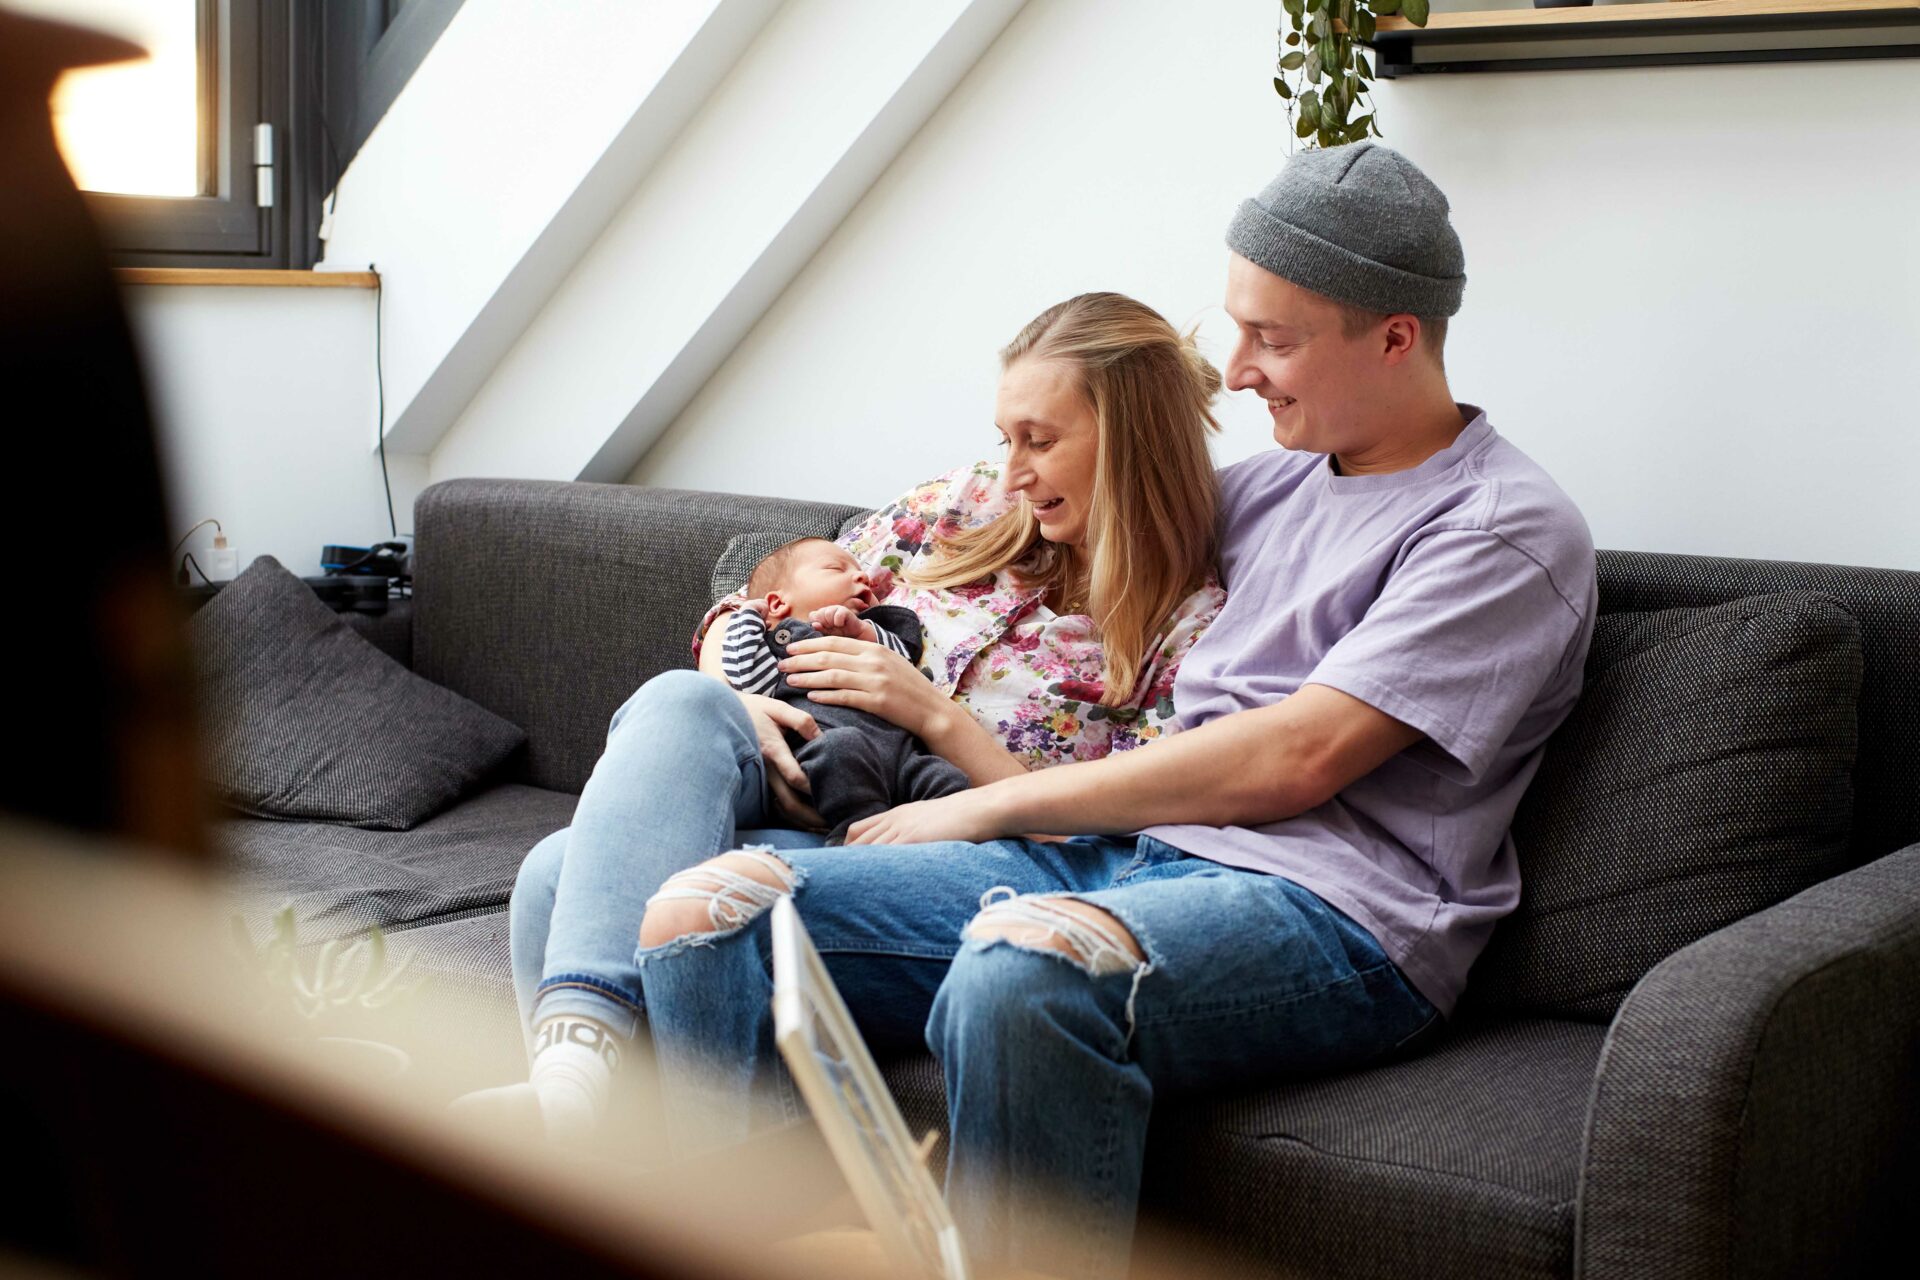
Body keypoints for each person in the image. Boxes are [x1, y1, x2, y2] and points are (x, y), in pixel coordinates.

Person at [627, 144, 1598, 1280]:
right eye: (1236, 330)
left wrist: (986, 803)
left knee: (1022, 970)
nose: (1238, 370)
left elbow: (1300, 754)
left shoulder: (1500, 528)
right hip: (1135, 859)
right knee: (704, 913)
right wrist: (760, 624)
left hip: (1340, 914)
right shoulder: (1275, 486)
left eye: (1274, 339)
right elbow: (1058, 503)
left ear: (1396, 336)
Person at [489, 291, 1228, 1147]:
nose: (1012, 473)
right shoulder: (965, 504)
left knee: (559, 872)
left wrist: (935, 717)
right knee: (676, 708)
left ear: (1132, 439)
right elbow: (762, 586)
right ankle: (572, 1119)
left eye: (1040, 441)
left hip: (934, 845)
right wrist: (739, 689)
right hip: (793, 769)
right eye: (1006, 440)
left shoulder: (1190, 625)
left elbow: (1116, 833)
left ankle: (605, 1152)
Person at [715, 536, 968, 842]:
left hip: (904, 758)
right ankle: (856, 836)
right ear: (778, 603)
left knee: (951, 782)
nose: (862, 577)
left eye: (860, 571)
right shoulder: (782, 647)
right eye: (836, 569)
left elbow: (902, 667)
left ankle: (958, 846)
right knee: (840, 750)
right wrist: (748, 618)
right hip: (827, 752)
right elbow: (748, 681)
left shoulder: (875, 631)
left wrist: (864, 632)